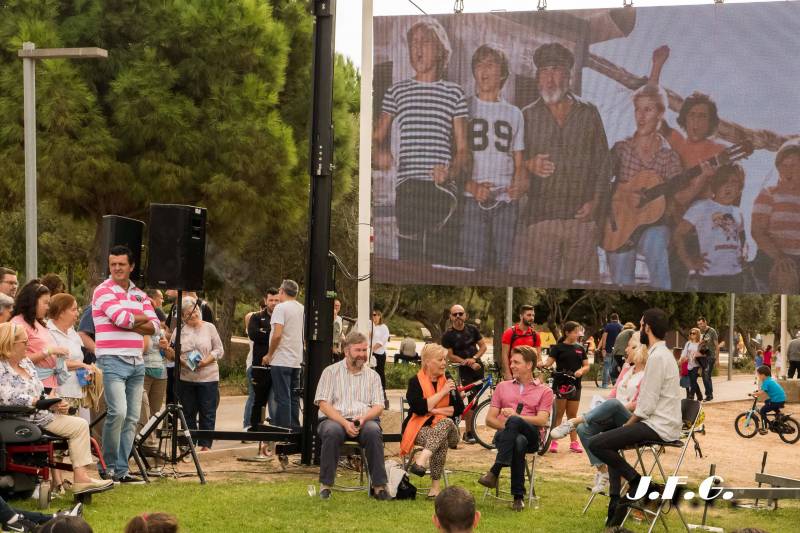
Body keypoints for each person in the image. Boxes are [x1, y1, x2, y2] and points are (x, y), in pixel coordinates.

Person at [510, 42, 610, 286]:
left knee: (585, 289)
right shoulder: (526, 115)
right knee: (541, 289)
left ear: (569, 76)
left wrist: (596, 202)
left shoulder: (589, 112)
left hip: (581, 221)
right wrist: (530, 164)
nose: (550, 79)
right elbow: (511, 163)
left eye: (556, 70)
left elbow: (604, 163)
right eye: (544, 71)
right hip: (541, 220)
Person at [372, 18, 469, 264]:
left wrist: (451, 173)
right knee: (410, 261)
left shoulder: (454, 93)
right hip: (409, 187)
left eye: (425, 41)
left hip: (441, 188)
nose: (418, 48)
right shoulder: (397, 91)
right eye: (413, 43)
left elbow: (463, 150)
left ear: (440, 50)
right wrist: (378, 154)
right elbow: (374, 140)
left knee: (440, 260)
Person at [589, 308, 683, 528]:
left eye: (641, 325)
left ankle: (639, 484)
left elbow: (645, 407)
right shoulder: (663, 354)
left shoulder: (657, 358)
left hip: (658, 426)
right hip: (659, 423)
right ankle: (616, 515)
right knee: (610, 442)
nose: (640, 328)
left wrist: (625, 426)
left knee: (597, 443)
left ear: (647, 328)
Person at [0, 322, 113, 495]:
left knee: (78, 423)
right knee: (79, 426)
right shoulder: (2, 367)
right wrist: (37, 401)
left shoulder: (26, 364)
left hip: (40, 414)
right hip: (19, 417)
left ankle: (81, 478)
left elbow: (39, 391)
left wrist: (54, 401)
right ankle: (81, 479)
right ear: (10, 343)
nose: (28, 345)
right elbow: (6, 397)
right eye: (24, 342)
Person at [92, 245, 159, 484]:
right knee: (117, 413)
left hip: (136, 362)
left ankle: (121, 470)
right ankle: (107, 468)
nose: (117, 268)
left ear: (131, 266)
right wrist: (137, 319)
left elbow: (156, 326)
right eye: (113, 264)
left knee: (131, 418)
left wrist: (133, 321)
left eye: (122, 264)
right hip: (111, 360)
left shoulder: (139, 294)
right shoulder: (102, 291)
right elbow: (122, 319)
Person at [604, 84, 682, 290]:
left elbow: (680, 196)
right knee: (621, 283)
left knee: (656, 243)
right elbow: (600, 182)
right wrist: (621, 200)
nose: (641, 116)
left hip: (653, 224)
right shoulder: (621, 148)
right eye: (638, 109)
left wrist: (702, 178)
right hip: (620, 224)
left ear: (661, 113)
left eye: (648, 110)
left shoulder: (669, 156)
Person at [550, 331, 648, 494]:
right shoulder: (627, 369)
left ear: (639, 348)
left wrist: (615, 406)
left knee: (615, 405)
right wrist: (604, 405)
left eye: (629, 347)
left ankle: (573, 422)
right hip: (615, 417)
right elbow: (613, 393)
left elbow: (639, 403)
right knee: (584, 429)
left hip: (632, 421)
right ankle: (603, 472)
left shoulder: (648, 374)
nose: (625, 350)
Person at [461, 43, 526, 272]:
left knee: (504, 265)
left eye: (490, 64)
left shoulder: (514, 113)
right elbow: (453, 157)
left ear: (503, 73)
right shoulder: (463, 107)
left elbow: (519, 163)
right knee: (473, 264)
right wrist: (472, 186)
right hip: (471, 198)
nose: (484, 70)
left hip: (505, 201)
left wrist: (518, 185)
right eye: (479, 64)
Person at [314, 331, 390, 500]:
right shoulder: (330, 372)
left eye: (365, 350)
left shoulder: (373, 376)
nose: (362, 355)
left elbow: (379, 406)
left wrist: (363, 419)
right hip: (334, 419)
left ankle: (379, 487)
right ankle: (325, 486)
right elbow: (323, 403)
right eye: (358, 350)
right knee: (332, 432)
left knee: (373, 431)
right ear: (346, 351)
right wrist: (344, 422)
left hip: (364, 419)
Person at [477, 346, 553, 511]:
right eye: (511, 362)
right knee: (518, 441)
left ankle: (495, 471)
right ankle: (518, 497)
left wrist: (515, 419)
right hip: (505, 436)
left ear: (529, 365)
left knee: (515, 422)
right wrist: (511, 425)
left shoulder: (544, 391)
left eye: (516, 362)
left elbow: (542, 420)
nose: (511, 365)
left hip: (533, 437)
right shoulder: (502, 387)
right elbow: (490, 420)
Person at [401, 343, 464, 498]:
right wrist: (442, 393)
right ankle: (435, 488)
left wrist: (433, 409)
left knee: (447, 423)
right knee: (440, 440)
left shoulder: (448, 379)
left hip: (451, 433)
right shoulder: (415, 381)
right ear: (428, 361)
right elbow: (419, 408)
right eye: (440, 359)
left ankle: (422, 459)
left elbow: (458, 409)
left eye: (445, 359)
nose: (444, 363)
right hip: (418, 428)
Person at [674, 165, 747, 292]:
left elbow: (741, 237)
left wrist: (744, 252)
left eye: (734, 182)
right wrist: (689, 261)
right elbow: (678, 234)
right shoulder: (701, 207)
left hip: (736, 275)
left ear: (740, 189)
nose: (728, 186)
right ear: (716, 186)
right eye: (724, 181)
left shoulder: (738, 212)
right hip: (710, 276)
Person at [164, 296, 223, 451]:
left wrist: (206, 361)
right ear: (183, 316)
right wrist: (179, 359)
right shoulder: (179, 331)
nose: (195, 315)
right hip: (186, 376)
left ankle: (205, 445)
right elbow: (172, 353)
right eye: (190, 313)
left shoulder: (209, 327)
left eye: (196, 311)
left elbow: (219, 350)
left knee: (207, 411)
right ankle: (188, 445)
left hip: (208, 376)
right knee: (188, 411)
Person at [751, 138, 800, 293]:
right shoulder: (769, 194)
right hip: (772, 258)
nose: (787, 170)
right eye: (783, 165)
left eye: (793, 165)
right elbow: (757, 231)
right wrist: (778, 256)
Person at [10, 280, 71, 390]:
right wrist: (49, 352)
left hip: (50, 383)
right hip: (34, 385)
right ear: (33, 301)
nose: (48, 307)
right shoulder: (17, 323)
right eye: (45, 303)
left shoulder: (39, 322)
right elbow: (15, 360)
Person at [441, 304, 486, 444]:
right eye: (455, 314)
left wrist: (474, 358)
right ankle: (468, 432)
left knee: (475, 400)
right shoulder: (448, 335)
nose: (458, 317)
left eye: (460, 313)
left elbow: (483, 346)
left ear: (465, 315)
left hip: (477, 367)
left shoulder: (472, 329)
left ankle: (469, 432)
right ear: (450, 317)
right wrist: (468, 362)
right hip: (461, 370)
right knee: (468, 399)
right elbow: (450, 355)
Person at [543, 321, 590, 453]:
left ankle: (574, 443)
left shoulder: (580, 348)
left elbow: (586, 365)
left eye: (578, 332)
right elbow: (549, 363)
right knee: (559, 414)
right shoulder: (558, 348)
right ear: (567, 332)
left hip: (575, 385)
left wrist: (582, 371)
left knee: (572, 415)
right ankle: (554, 441)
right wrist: (542, 364)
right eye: (575, 332)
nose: (577, 334)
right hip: (560, 384)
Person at [263, 279, 304, 431]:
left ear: (282, 291)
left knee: (282, 397)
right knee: (294, 397)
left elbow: (277, 334)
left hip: (281, 359)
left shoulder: (280, 308)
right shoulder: (301, 308)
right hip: (296, 360)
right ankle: (294, 428)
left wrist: (269, 355)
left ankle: (283, 430)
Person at [46, 294, 93, 422]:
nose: (77, 313)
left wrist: (87, 382)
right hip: (60, 394)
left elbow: (81, 361)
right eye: (73, 309)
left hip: (79, 392)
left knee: (83, 430)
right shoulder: (48, 332)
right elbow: (53, 363)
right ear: (61, 312)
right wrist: (82, 365)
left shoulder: (74, 333)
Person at [247, 288, 279, 456]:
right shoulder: (256, 317)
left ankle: (274, 433)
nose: (273, 303)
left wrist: (267, 333)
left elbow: (282, 337)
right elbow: (253, 335)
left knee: (276, 402)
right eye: (271, 300)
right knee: (258, 401)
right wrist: (272, 335)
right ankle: (255, 430)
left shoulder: (283, 317)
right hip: (259, 366)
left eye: (276, 300)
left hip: (278, 366)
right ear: (266, 300)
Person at [138, 289, 168, 455]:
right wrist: (147, 336)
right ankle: (144, 442)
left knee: (155, 411)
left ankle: (150, 442)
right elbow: (143, 348)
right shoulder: (141, 328)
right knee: (144, 409)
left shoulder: (160, 331)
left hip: (160, 373)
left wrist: (166, 347)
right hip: (143, 371)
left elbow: (169, 355)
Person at [500, 304, 540, 381]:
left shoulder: (535, 335)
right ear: (521, 316)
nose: (531, 318)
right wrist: (507, 373)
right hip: (513, 374)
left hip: (529, 377)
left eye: (533, 315)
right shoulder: (509, 333)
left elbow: (538, 356)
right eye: (528, 315)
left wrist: (539, 375)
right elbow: (504, 354)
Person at [753, 364, 786, 435]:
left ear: (763, 375)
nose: (758, 376)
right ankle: (779, 414)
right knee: (767, 401)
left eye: (759, 375)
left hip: (777, 400)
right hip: (781, 399)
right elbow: (765, 390)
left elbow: (762, 392)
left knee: (762, 411)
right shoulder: (770, 379)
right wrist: (758, 392)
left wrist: (754, 394)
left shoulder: (766, 382)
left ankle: (764, 428)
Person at [370, 309, 391, 408]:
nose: (374, 317)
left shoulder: (383, 327)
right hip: (370, 353)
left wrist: (373, 349)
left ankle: (382, 392)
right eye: (373, 315)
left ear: (380, 316)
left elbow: (383, 340)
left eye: (376, 315)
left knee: (380, 372)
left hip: (379, 353)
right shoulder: (370, 326)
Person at [599, 313, 623, 388]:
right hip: (617, 350)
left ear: (611, 319)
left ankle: (605, 384)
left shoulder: (608, 326)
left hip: (608, 349)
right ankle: (614, 382)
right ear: (618, 318)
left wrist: (603, 348)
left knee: (606, 366)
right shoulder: (621, 326)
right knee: (614, 366)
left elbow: (604, 337)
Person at [697, 316, 719, 402]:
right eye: (698, 324)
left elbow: (717, 346)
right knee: (705, 376)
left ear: (705, 322)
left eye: (701, 323)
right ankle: (709, 394)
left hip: (710, 356)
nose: (700, 326)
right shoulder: (700, 332)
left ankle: (709, 395)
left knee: (706, 375)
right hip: (702, 356)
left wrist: (717, 359)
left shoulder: (712, 331)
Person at [680, 328, 704, 402]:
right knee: (693, 381)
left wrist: (698, 355)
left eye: (694, 333)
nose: (692, 335)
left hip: (697, 365)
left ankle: (691, 396)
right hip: (689, 365)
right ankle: (699, 395)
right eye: (691, 333)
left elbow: (704, 354)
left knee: (693, 380)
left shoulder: (700, 344)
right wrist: (682, 358)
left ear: (698, 334)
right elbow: (684, 352)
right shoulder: (688, 343)